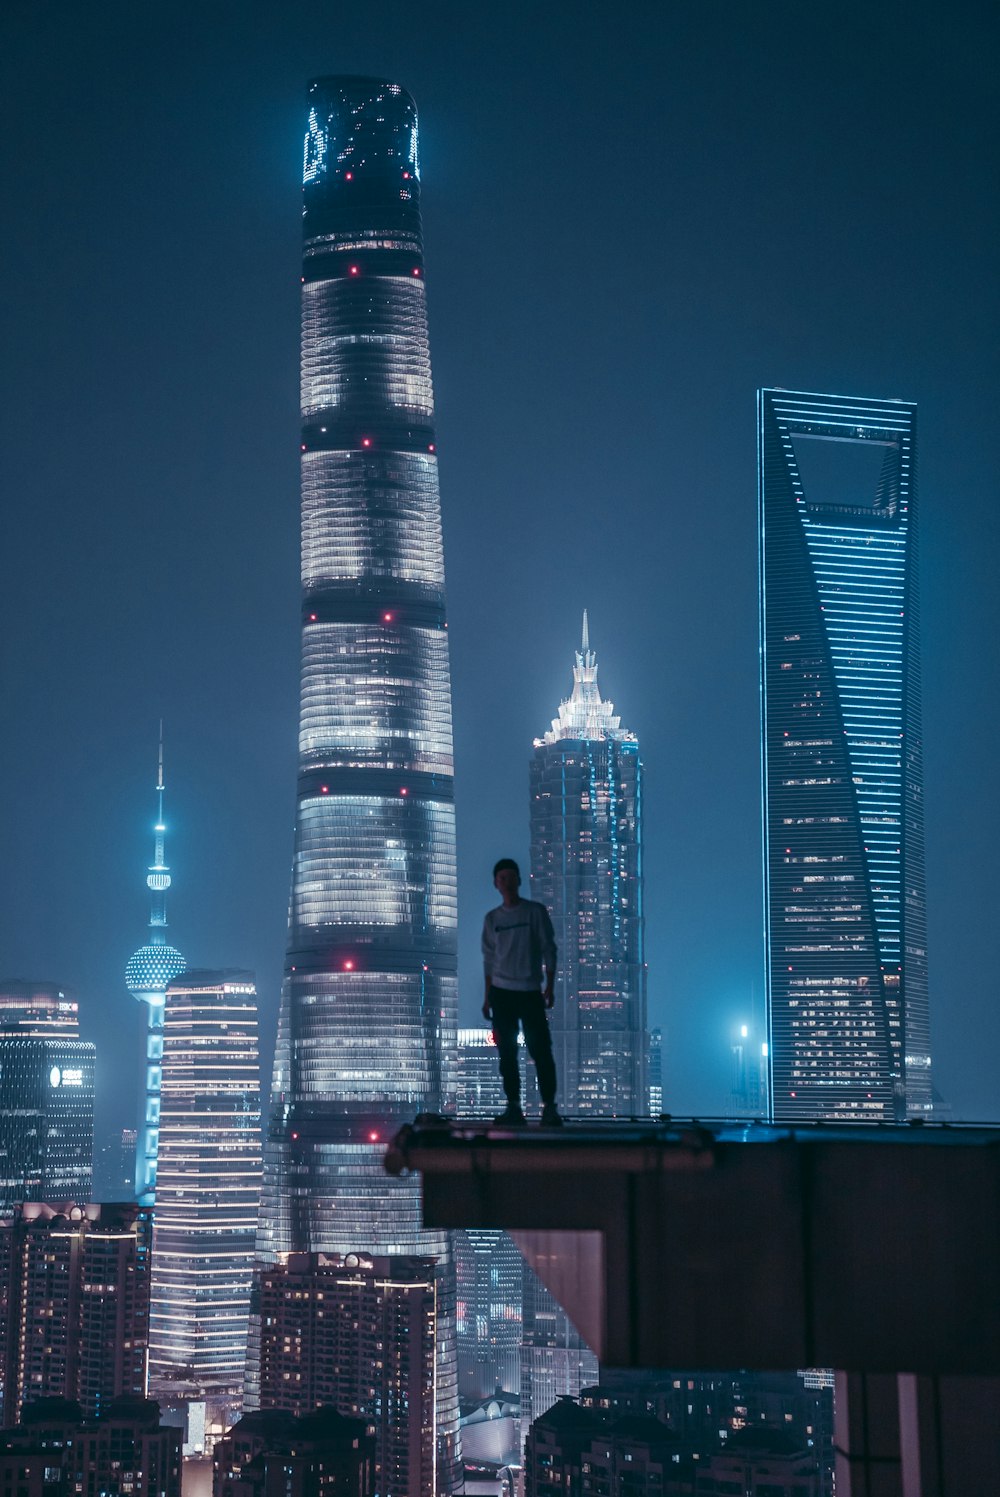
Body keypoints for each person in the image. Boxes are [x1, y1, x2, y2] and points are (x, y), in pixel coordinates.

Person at [481, 857, 562, 1127]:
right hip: (502, 992)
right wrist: (487, 996)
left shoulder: (534, 913)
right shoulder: (492, 919)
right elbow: (489, 959)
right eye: (501, 878)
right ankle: (513, 1107)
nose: (506, 882)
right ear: (495, 884)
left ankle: (549, 1107)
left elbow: (549, 948)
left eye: (510, 877)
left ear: (519, 879)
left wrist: (549, 985)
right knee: (507, 1053)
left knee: (540, 1049)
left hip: (529, 990)